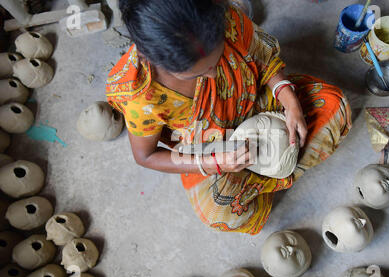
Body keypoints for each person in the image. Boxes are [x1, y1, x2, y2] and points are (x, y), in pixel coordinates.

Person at [106, 0, 352, 235]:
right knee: (219, 211)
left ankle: (267, 174)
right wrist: (213, 163)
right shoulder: (141, 99)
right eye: (197, 73)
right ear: (150, 59)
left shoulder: (224, 18)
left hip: (253, 99)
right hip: (206, 146)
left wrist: (289, 99)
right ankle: (269, 173)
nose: (212, 75)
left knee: (335, 107)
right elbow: (146, 156)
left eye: (216, 59)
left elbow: (263, 59)